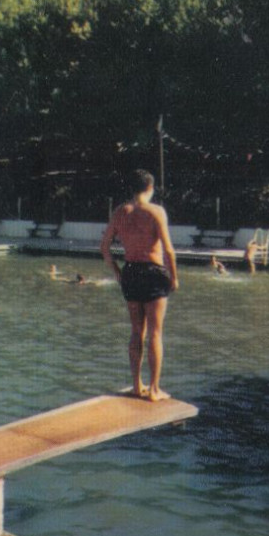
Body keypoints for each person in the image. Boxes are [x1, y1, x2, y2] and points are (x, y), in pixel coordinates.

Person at [100, 169, 179, 402]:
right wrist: (174, 278)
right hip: (153, 273)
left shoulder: (120, 212)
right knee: (155, 332)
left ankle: (137, 385)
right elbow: (169, 250)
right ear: (150, 188)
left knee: (136, 331)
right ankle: (154, 390)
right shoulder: (156, 211)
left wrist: (117, 272)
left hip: (131, 272)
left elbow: (104, 247)